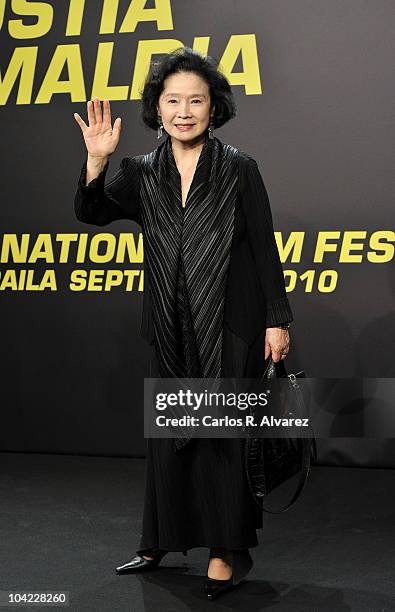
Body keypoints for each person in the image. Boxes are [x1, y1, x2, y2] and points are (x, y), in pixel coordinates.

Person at [73, 47, 293, 601]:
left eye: (197, 100)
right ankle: (161, 539)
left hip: (231, 323)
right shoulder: (142, 172)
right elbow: (93, 211)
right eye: (173, 100)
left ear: (213, 109)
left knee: (223, 440)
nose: (185, 110)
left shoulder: (240, 168)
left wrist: (277, 319)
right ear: (158, 109)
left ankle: (224, 549)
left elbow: (265, 248)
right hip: (170, 324)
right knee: (170, 438)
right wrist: (97, 162)